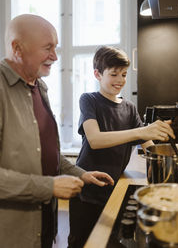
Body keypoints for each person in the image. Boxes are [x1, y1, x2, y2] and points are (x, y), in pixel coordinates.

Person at [0, 15, 114, 248]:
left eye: (56, 47)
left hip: (43, 228)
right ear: (17, 48)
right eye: (48, 48)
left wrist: (79, 173)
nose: (55, 56)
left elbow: (42, 150)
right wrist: (49, 187)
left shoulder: (39, 86)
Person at [68, 46, 175, 248]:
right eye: (114, 74)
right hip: (86, 189)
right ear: (97, 74)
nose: (120, 80)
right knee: (80, 242)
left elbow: (147, 143)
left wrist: (158, 159)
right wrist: (141, 132)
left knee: (107, 240)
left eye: (124, 74)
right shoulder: (88, 100)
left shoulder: (129, 107)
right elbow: (95, 140)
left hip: (113, 186)